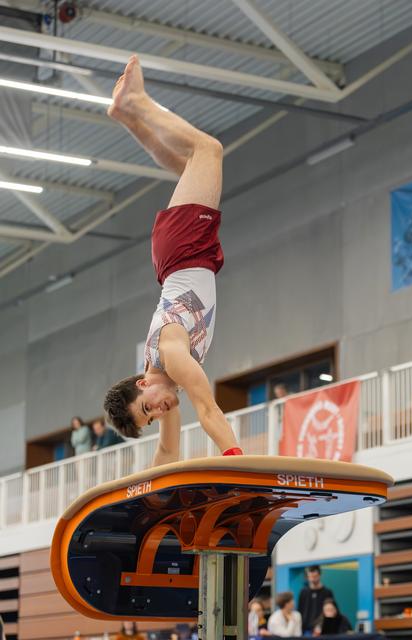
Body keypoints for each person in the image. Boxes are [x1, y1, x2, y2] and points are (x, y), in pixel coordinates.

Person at [103, 55, 242, 465]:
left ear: (143, 383)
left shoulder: (172, 356)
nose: (159, 412)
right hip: (181, 255)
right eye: (151, 418)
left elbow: (209, 409)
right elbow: (168, 451)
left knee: (208, 149)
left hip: (184, 250)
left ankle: (139, 102)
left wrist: (235, 458)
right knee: (190, 164)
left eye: (148, 408)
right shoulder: (164, 376)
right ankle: (126, 115)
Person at [297, 565, 334, 634]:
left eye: (315, 576)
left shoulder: (327, 592)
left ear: (319, 575)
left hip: (322, 629)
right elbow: (300, 610)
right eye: (310, 577)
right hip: (306, 630)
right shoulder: (303, 592)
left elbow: (331, 611)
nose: (312, 579)